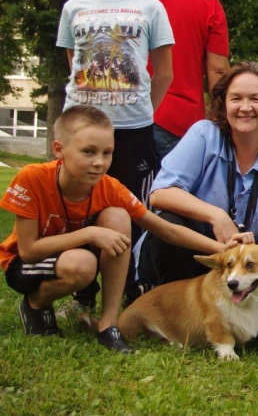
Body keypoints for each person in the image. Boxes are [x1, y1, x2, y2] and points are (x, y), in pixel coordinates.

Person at [0, 106, 225, 353]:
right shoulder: (32, 177)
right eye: (88, 152)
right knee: (83, 264)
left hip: (75, 260)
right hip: (24, 265)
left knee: (118, 216)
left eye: (107, 153)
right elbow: (29, 250)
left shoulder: (110, 187)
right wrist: (89, 234)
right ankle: (35, 302)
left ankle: (108, 324)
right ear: (58, 150)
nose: (99, 163)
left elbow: (165, 229)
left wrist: (222, 249)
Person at [56, 0, 174, 310]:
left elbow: (165, 71)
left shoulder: (150, 7)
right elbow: (74, 63)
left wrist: (143, 112)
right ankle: (83, 288)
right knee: (80, 206)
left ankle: (128, 281)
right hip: (82, 130)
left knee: (131, 208)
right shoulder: (75, 7)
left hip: (134, 129)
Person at [137, 62, 258, 286]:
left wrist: (251, 257)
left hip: (244, 267)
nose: (245, 107)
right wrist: (216, 216)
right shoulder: (204, 135)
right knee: (169, 219)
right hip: (192, 257)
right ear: (224, 104)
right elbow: (161, 193)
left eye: (255, 99)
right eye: (236, 99)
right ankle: (163, 302)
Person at [130, 0, 231, 161]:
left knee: (122, 193)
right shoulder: (208, 3)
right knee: (175, 192)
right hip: (180, 122)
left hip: (127, 115)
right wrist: (221, 120)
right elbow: (218, 71)